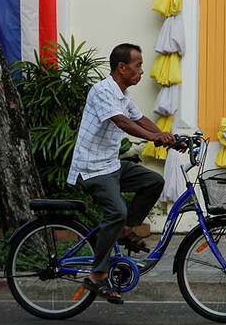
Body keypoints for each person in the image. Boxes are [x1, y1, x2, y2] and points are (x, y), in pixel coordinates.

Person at [67, 43, 178, 304]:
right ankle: (97, 275)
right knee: (115, 211)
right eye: (137, 66)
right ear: (121, 67)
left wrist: (170, 138)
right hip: (92, 167)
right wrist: (154, 137)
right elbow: (123, 122)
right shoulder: (103, 91)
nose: (141, 70)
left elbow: (139, 119)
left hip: (111, 165)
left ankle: (126, 229)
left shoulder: (123, 94)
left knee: (153, 181)